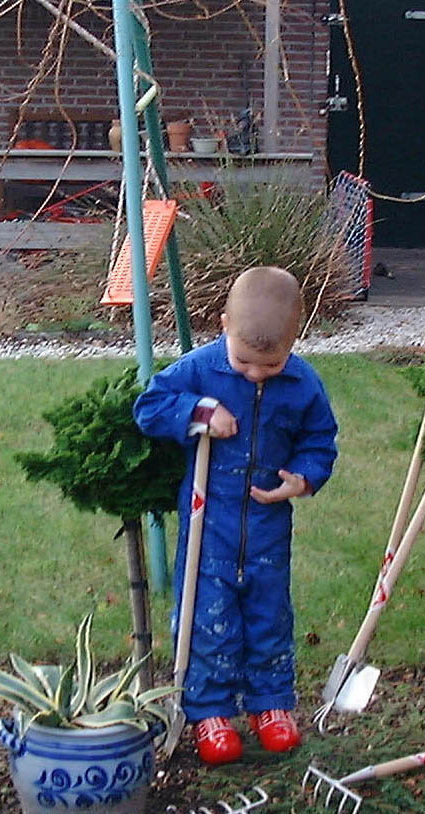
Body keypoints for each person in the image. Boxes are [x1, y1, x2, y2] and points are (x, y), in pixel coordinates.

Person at [133, 267, 338, 765]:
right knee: (208, 619)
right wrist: (201, 412)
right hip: (210, 526)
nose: (254, 374)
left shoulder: (304, 384)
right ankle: (209, 711)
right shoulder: (199, 370)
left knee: (268, 617)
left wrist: (303, 478)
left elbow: (319, 440)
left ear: (295, 338)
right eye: (245, 362)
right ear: (224, 324)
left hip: (268, 527)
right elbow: (151, 406)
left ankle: (270, 705)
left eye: (270, 365)